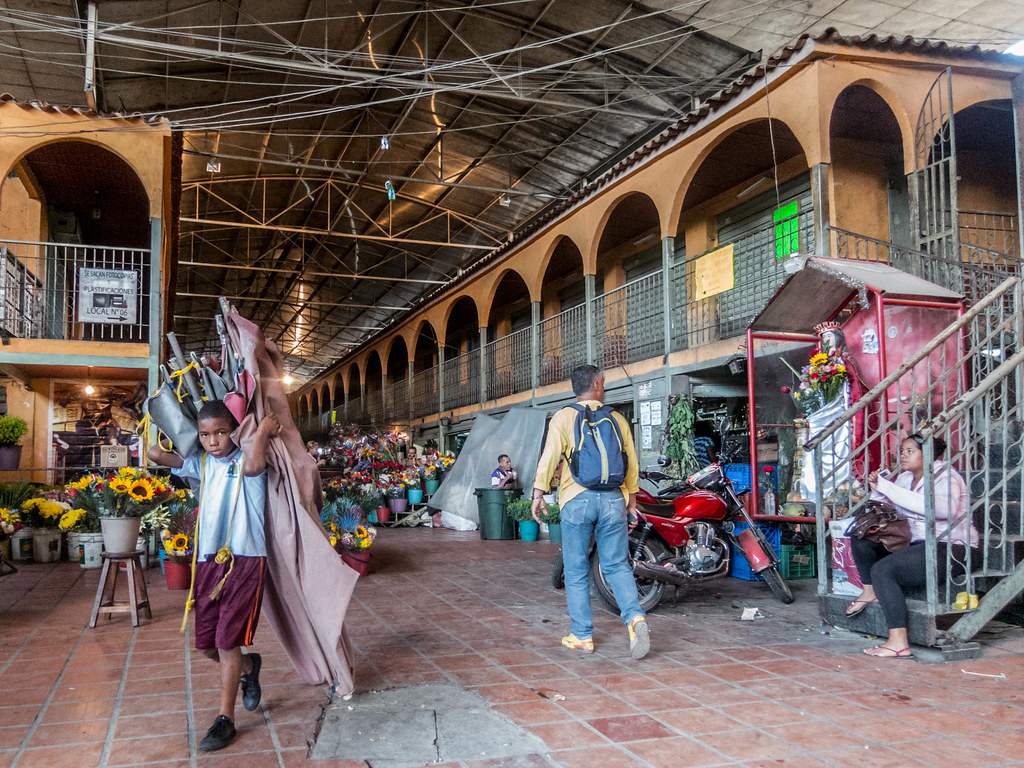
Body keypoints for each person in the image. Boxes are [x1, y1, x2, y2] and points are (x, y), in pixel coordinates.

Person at [148, 400, 281, 751]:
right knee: (207, 645)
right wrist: (156, 426)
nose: (213, 441)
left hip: (245, 558)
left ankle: (225, 719)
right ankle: (250, 666)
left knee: (226, 642)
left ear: (234, 431)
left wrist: (264, 430)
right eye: (205, 434)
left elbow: (254, 467)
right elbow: (160, 457)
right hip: (208, 561)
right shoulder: (201, 462)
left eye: (221, 432)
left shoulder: (246, 458)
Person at [530, 364, 650, 659]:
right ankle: (635, 619)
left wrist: (539, 492)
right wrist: (631, 501)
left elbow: (550, 457)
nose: (604, 386)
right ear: (597, 384)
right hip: (612, 500)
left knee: (575, 570)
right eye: (603, 382)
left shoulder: (564, 417)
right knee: (617, 565)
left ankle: (582, 635)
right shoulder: (617, 419)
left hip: (577, 500)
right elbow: (631, 462)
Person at [846, 433, 979, 659]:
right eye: (903, 451)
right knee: (862, 538)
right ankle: (869, 591)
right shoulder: (906, 478)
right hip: (916, 543)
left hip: (953, 548)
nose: (904, 456)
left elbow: (942, 510)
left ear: (927, 454)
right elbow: (886, 503)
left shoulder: (947, 477)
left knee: (884, 570)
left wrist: (890, 489)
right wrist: (879, 487)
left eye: (910, 451)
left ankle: (899, 642)